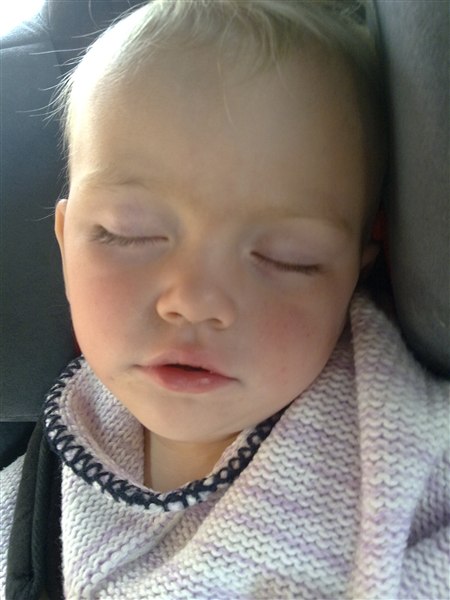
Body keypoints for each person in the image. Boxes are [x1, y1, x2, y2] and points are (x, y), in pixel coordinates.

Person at [1, 1, 448, 598]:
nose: (193, 301)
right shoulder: (51, 457)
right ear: (65, 241)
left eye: (286, 257)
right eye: (127, 233)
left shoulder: (400, 458)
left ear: (355, 273)